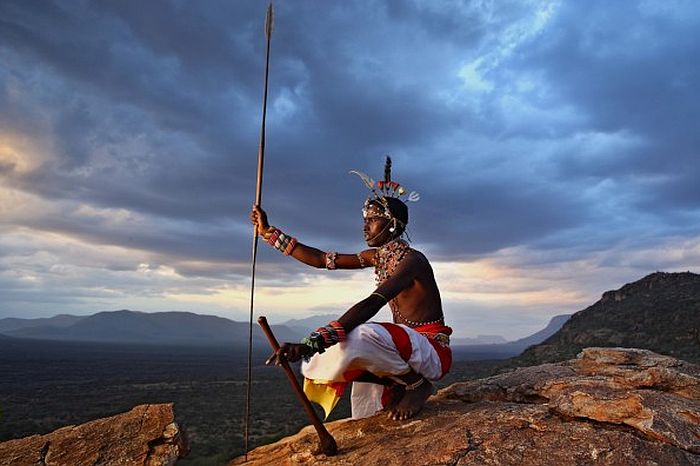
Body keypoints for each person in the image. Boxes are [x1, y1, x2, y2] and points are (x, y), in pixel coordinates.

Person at [250, 157, 452, 421]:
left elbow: (374, 302)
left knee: (361, 335)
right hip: (406, 352)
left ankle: (417, 384)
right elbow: (322, 260)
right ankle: (397, 385)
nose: (365, 226)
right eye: (365, 219)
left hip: (431, 351)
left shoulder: (413, 260)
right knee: (327, 356)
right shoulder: (378, 257)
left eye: (373, 219)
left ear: (392, 224)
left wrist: (313, 342)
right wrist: (269, 232)